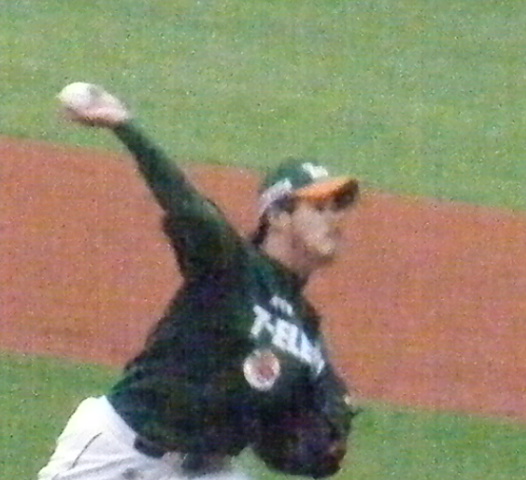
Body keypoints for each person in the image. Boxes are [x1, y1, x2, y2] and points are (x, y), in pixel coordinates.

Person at [38, 83, 360, 480]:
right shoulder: (230, 268)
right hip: (121, 453)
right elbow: (191, 209)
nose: (335, 219)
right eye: (320, 207)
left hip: (207, 470)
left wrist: (322, 434)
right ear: (277, 216)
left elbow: (321, 408)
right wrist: (125, 127)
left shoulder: (305, 327)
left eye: (339, 208)